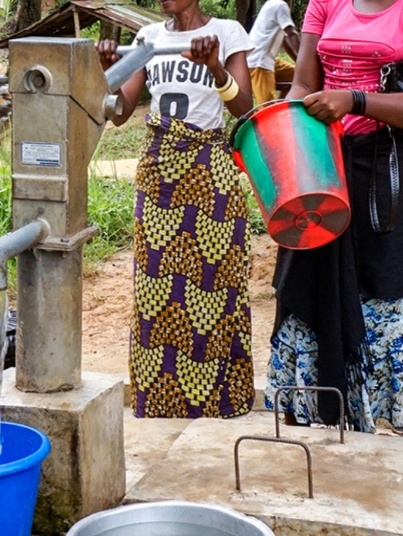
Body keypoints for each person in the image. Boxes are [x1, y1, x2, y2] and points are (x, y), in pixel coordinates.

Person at [265, 0, 403, 432]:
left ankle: (384, 431)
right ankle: (316, 416)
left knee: (384, 295)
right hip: (323, 167)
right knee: (307, 290)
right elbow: (302, 85)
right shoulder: (325, 3)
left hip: (387, 176)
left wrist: (355, 101)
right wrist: (279, 138)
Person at [97, 2, 255, 418]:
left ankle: (218, 401)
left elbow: (244, 109)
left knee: (215, 286)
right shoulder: (149, 40)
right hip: (159, 173)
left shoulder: (228, 32)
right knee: (154, 290)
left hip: (209, 172)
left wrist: (215, 67)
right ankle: (163, 401)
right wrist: (104, 71)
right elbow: (119, 113)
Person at [248, 0, 301, 104]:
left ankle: (281, 106)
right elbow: (292, 34)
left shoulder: (272, 4)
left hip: (268, 59)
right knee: (266, 107)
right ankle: (275, 112)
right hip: (259, 62)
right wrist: (306, 61)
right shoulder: (280, 5)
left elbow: (286, 41)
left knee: (297, 76)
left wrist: (300, 64)